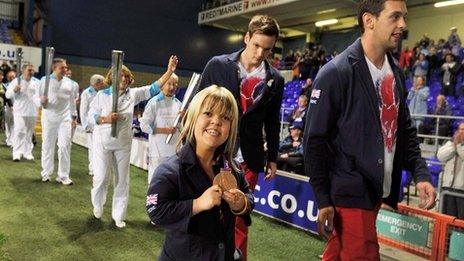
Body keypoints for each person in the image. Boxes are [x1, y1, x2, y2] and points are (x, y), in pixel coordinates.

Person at [303, 1, 436, 260]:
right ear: (369, 20)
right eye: (395, 17)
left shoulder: (395, 71)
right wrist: (322, 199)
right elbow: (314, 141)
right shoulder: (335, 73)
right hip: (349, 192)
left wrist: (420, 174)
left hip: (377, 190)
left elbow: (404, 129)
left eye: (404, 17)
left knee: (339, 254)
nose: (403, 25)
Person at [198, 14, 284, 259]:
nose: (260, 53)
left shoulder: (275, 79)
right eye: (256, 45)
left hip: (248, 159)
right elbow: (199, 106)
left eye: (267, 49)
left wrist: (273, 157)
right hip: (213, 152)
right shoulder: (218, 65)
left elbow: (272, 121)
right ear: (246, 37)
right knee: (209, 211)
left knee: (240, 216)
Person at [146, 85, 254, 260]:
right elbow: (155, 210)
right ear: (193, 118)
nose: (216, 121)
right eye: (208, 113)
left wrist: (242, 203)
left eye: (225, 117)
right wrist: (196, 204)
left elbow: (248, 195)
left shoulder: (233, 168)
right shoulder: (170, 170)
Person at [89, 55, 178, 228]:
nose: (124, 78)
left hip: (123, 143)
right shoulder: (102, 95)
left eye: (126, 76)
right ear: (112, 77)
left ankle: (118, 215)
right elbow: (91, 116)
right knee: (100, 178)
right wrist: (105, 119)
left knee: (122, 180)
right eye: (120, 75)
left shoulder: (134, 94)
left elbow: (153, 88)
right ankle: (98, 204)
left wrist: (169, 71)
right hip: (103, 142)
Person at [39, 58, 78, 185]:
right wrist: (41, 101)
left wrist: (74, 117)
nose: (65, 70)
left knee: (64, 145)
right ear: (54, 68)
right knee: (48, 145)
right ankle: (46, 173)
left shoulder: (71, 84)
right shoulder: (45, 81)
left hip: (65, 118)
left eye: (66, 67)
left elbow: (72, 102)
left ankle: (63, 176)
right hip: (49, 117)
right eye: (62, 67)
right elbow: (38, 98)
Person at [139, 72, 181, 184]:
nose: (172, 87)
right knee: (155, 183)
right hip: (158, 152)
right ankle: (152, 202)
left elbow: (182, 128)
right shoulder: (154, 103)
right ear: (162, 85)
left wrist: (185, 118)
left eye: (175, 84)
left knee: (171, 183)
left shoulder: (179, 104)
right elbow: (144, 126)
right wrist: (164, 130)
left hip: (174, 152)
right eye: (169, 84)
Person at [5, 64, 40, 161]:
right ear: (23, 71)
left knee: (29, 133)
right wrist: (14, 90)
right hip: (19, 111)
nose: (32, 72)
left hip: (32, 111)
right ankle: (17, 153)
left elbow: (38, 97)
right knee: (19, 131)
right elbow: (8, 95)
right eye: (29, 70)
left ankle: (27, 152)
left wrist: (40, 103)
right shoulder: (16, 81)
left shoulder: (36, 83)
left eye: (33, 70)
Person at [79, 74, 106, 175]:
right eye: (102, 83)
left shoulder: (102, 93)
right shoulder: (86, 93)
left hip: (100, 123)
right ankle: (92, 168)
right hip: (91, 124)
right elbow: (83, 110)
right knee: (92, 147)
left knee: (100, 147)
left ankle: (99, 167)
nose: (104, 84)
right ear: (97, 83)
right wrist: (85, 125)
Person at [437, 122, 464, 219]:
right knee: (446, 221)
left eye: (463, 130)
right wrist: (454, 145)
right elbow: (440, 156)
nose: (461, 132)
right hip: (447, 189)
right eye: (460, 129)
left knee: (460, 223)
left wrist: (459, 145)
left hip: (462, 191)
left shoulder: (458, 144)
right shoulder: (451, 143)